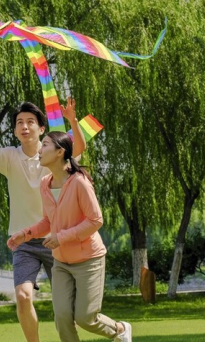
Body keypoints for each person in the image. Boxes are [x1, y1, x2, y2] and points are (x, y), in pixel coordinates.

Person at [0, 98, 87, 342]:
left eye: (31, 122)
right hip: (24, 241)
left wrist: (72, 120)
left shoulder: (54, 153)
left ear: (42, 129)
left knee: (66, 309)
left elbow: (79, 148)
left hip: (57, 239)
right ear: (15, 130)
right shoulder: (9, 156)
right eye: (20, 122)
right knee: (22, 296)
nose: (25, 127)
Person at [9, 131, 131, 342]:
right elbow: (48, 221)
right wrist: (25, 234)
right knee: (63, 317)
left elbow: (95, 220)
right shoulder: (45, 184)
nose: (40, 150)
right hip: (61, 261)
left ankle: (119, 330)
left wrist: (62, 237)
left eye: (45, 145)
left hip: (88, 260)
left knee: (85, 318)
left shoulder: (80, 183)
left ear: (60, 152)